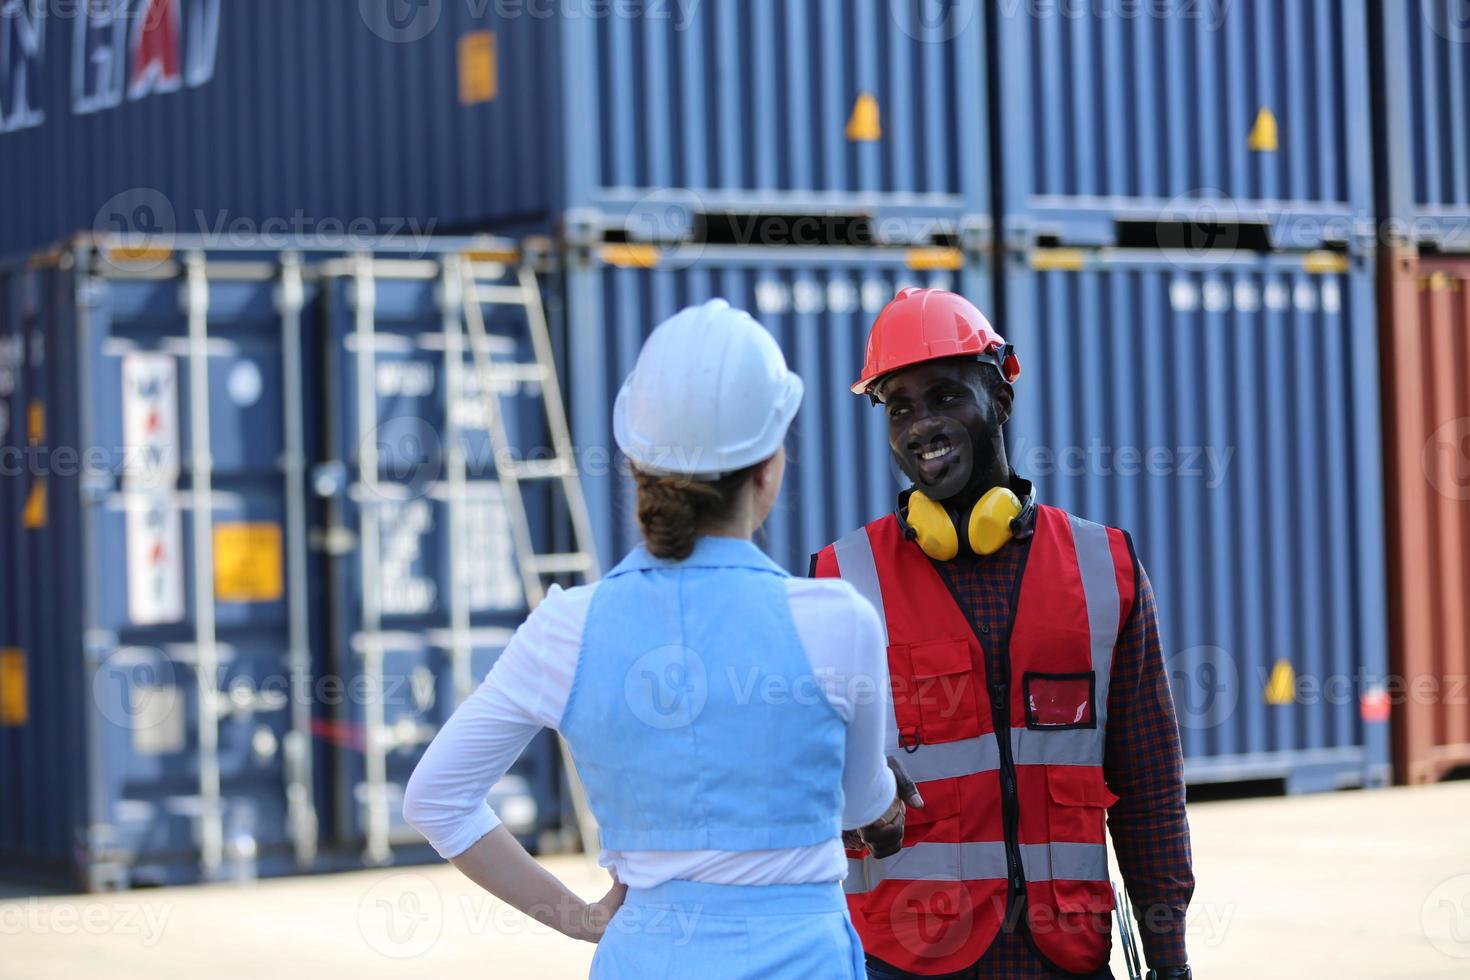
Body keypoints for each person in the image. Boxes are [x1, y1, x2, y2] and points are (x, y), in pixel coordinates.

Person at [403, 299, 917, 978]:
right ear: (768, 470)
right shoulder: (835, 620)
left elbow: (435, 799)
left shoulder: (568, 627)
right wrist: (885, 804)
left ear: (636, 466)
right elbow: (858, 801)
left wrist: (579, 918)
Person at [811, 289, 1195, 980]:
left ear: (1001, 400)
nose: (922, 425)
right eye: (899, 408)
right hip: (903, 962)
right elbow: (795, 789)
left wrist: (1170, 963)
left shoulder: (1105, 570)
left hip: (1065, 958)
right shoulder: (841, 582)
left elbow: (1148, 788)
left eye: (945, 397)